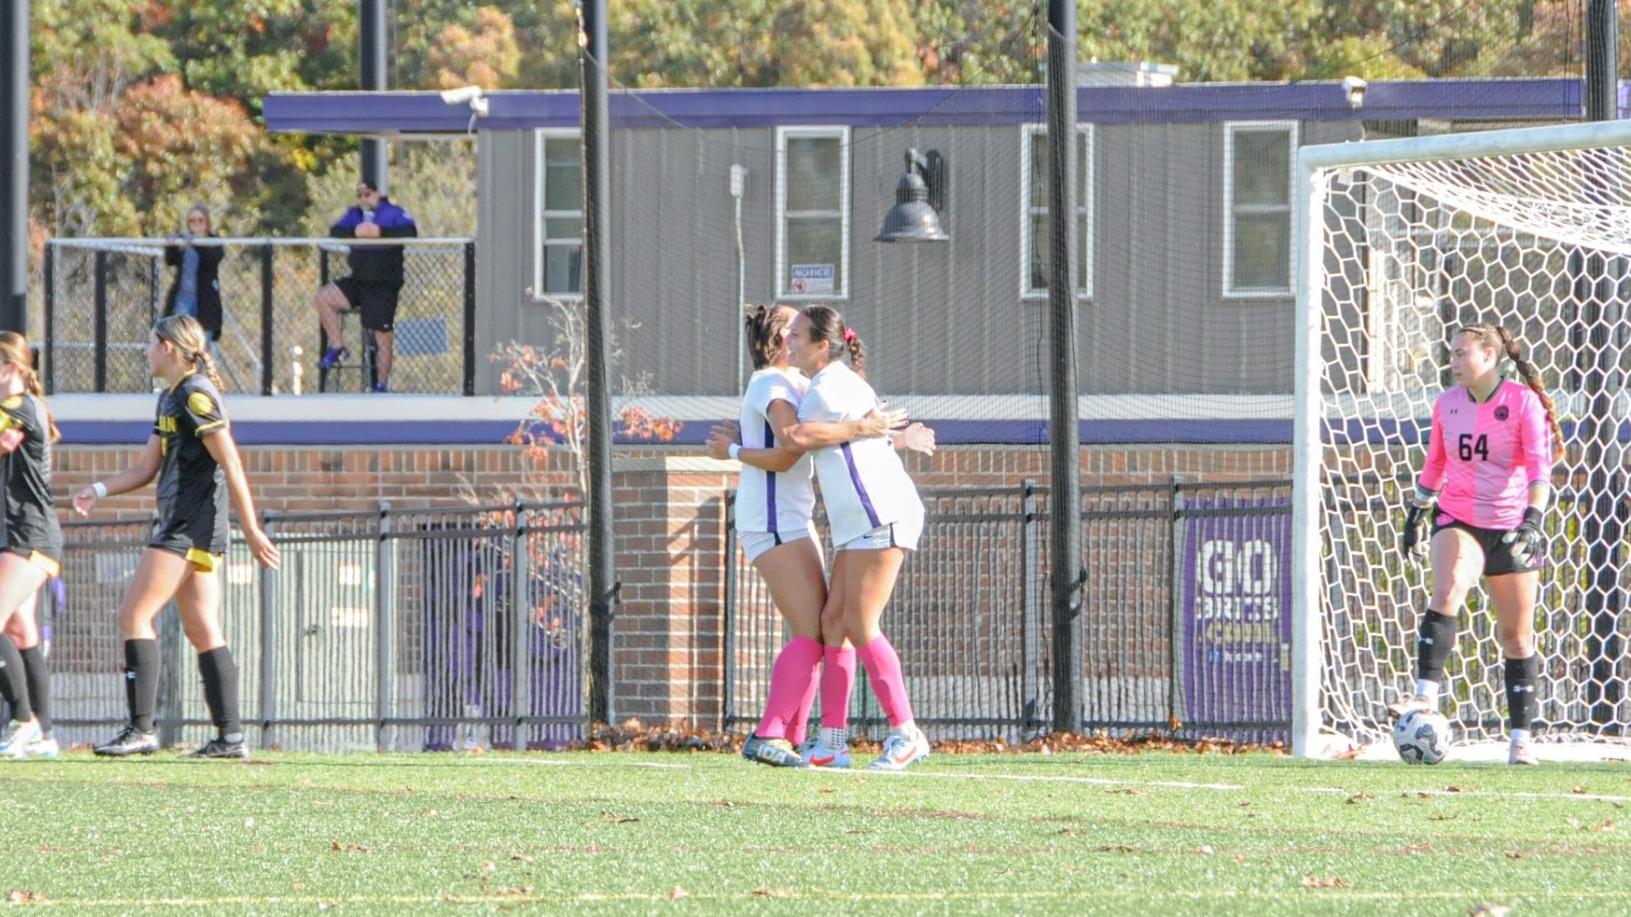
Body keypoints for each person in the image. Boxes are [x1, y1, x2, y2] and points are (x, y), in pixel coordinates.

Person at [704, 304, 904, 768]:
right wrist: (734, 449)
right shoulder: (774, 384)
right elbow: (789, 448)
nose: (795, 335)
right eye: (790, 329)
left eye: (801, 330)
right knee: (815, 632)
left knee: (824, 628)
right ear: (779, 340)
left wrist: (897, 434)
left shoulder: (796, 384)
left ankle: (798, 736)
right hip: (772, 520)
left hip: (790, 518)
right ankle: (769, 734)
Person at [72, 315, 280, 759]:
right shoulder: (169, 397)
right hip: (188, 523)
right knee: (203, 629)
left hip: (188, 526)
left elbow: (232, 463)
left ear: (168, 347)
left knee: (132, 615)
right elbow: (147, 469)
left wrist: (251, 526)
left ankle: (141, 729)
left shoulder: (195, 393)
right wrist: (99, 489)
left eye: (150, 344)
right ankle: (231, 738)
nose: (146, 352)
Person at [1394, 322, 1563, 766]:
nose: (1453, 363)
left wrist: (1532, 520)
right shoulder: (1446, 405)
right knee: (1447, 588)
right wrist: (1415, 513)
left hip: (1510, 528)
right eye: (1451, 354)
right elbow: (1435, 464)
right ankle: (1423, 700)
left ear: (1489, 357)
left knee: (1517, 637)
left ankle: (1521, 740)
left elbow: (1540, 471)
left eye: (1461, 354)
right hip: (1458, 517)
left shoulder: (1523, 403)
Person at [775, 306, 935, 771]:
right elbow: (868, 438)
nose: (789, 341)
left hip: (880, 515)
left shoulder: (828, 385)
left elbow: (794, 437)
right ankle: (832, 741)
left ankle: (907, 734)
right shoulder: (833, 383)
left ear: (823, 345)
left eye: (798, 335)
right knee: (832, 622)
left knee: (861, 624)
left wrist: (739, 440)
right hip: (858, 522)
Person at [0, 332, 64, 760]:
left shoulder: (19, 408)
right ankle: (43, 732)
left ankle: (21, 721)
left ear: (13, 369)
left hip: (29, 536)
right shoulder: (20, 409)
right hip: (22, 534)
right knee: (22, 629)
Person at [315, 181, 418, 392]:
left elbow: (409, 231)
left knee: (382, 334)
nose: (363, 199)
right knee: (324, 297)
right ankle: (338, 347)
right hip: (359, 279)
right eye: (359, 195)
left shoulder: (393, 212)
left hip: (383, 283)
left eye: (367, 194)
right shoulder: (354, 214)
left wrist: (380, 232)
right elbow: (336, 230)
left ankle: (381, 384)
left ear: (377, 194)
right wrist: (356, 231)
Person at [163, 205, 225, 342]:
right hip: (183, 299)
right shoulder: (184, 240)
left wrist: (195, 243)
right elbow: (171, 260)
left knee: (202, 343)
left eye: (200, 220)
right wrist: (172, 245)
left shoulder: (213, 242)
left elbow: (212, 259)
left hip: (205, 301)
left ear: (207, 222)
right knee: (180, 341)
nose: (196, 224)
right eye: (192, 221)